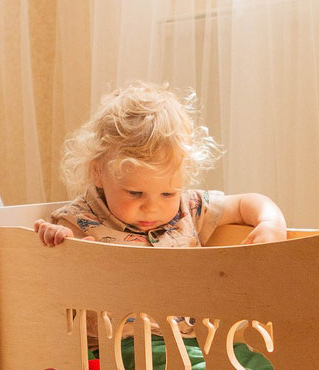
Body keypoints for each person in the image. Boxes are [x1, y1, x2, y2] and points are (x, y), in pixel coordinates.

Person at [34, 81, 287, 247]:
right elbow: (59, 275)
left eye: (167, 193)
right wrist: (60, 242)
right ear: (98, 172)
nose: (152, 207)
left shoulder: (189, 208)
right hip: (110, 331)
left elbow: (246, 204)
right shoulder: (79, 219)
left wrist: (271, 224)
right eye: (135, 193)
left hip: (189, 331)